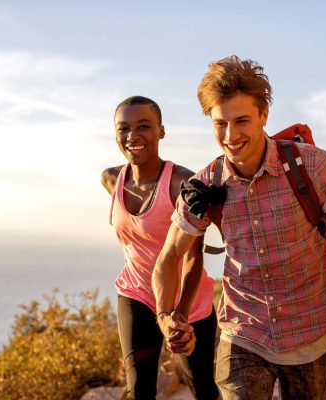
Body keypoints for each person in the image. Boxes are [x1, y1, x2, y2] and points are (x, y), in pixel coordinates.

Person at [152, 56, 326, 400]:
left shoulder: (312, 165)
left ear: (264, 115)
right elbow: (169, 257)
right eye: (220, 123)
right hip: (243, 332)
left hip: (310, 328)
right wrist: (166, 315)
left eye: (242, 120)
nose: (231, 136)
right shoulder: (204, 185)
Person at [101, 95, 220, 400]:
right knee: (139, 388)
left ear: (161, 131)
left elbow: (194, 258)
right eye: (123, 128)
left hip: (188, 302)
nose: (132, 136)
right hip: (136, 295)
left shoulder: (183, 183)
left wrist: (178, 315)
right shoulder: (112, 179)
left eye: (143, 126)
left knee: (204, 390)